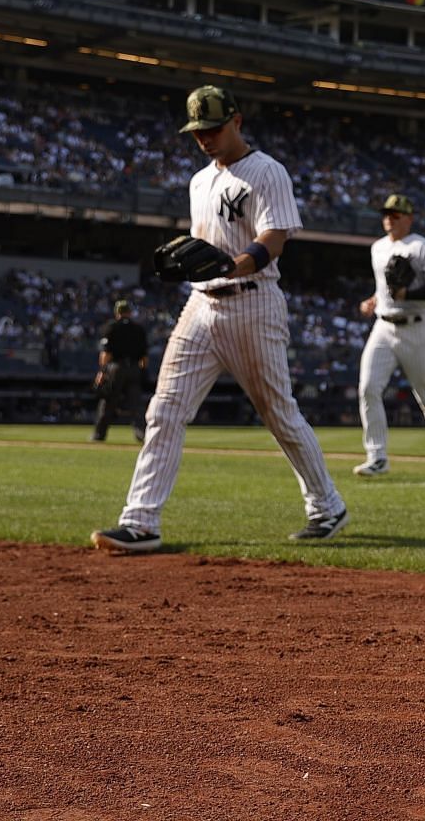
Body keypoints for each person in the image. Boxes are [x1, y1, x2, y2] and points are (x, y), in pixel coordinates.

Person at [91, 85, 349, 553]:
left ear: (236, 121)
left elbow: (273, 238)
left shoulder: (266, 172)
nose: (205, 138)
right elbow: (201, 245)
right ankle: (141, 522)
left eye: (212, 128)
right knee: (164, 409)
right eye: (197, 132)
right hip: (200, 305)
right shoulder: (198, 181)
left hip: (254, 301)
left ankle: (327, 506)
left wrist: (235, 263)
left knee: (279, 415)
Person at [353, 193, 425, 482]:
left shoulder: (422, 247)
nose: (388, 219)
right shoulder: (377, 248)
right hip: (383, 326)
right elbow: (384, 287)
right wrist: (373, 300)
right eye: (386, 214)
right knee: (368, 388)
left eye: (395, 215)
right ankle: (376, 456)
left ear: (409, 219)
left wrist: (408, 294)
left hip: (417, 327)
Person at [90, 299, 149, 443]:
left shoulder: (111, 327)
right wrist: (141, 371)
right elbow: (144, 357)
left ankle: (99, 434)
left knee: (108, 401)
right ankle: (141, 433)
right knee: (136, 404)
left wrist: (102, 372)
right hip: (134, 368)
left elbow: (106, 354)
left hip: (116, 368)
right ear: (129, 312)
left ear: (117, 313)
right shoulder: (138, 329)